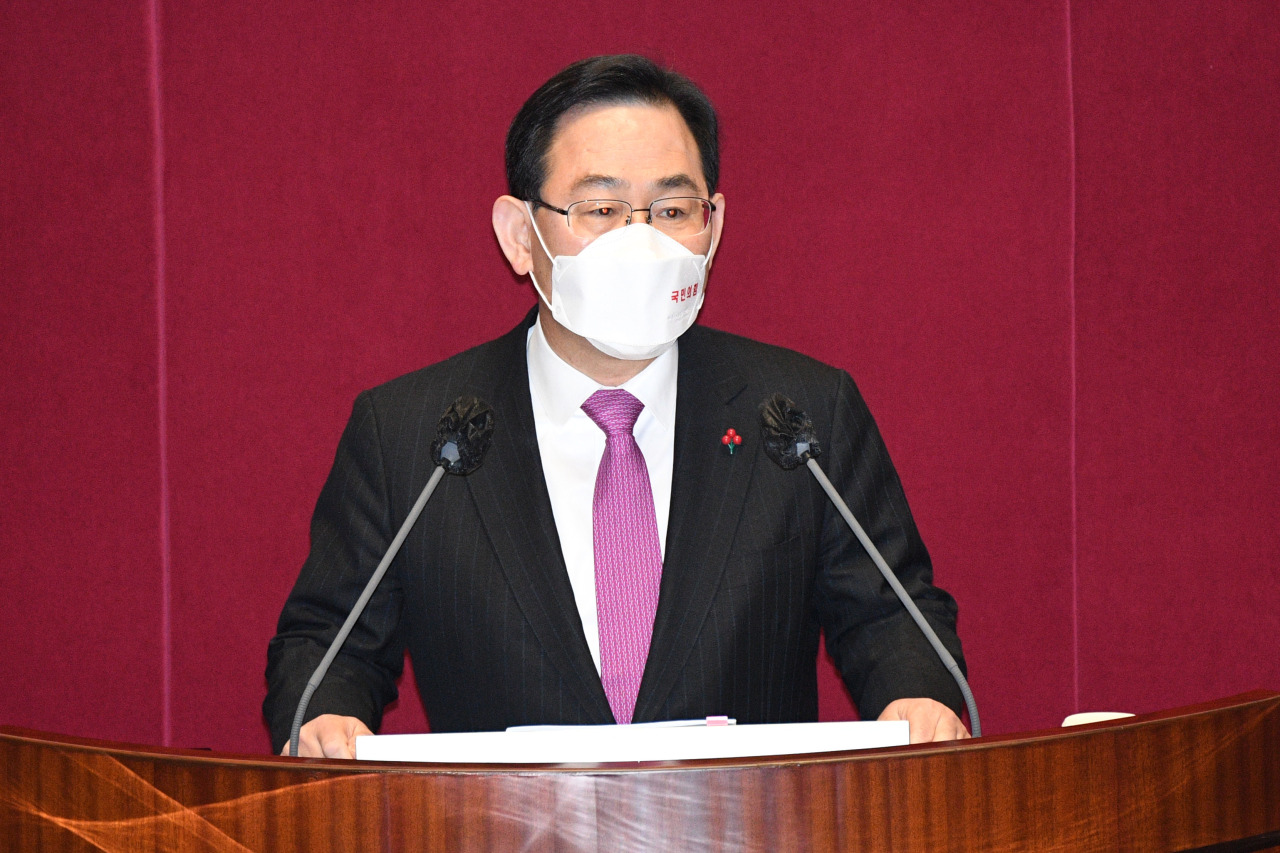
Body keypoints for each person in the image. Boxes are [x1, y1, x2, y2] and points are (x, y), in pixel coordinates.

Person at [265, 54, 970, 758]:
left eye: (672, 210)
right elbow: (328, 646)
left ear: (714, 225)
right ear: (520, 235)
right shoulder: (414, 436)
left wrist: (918, 692)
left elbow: (893, 615)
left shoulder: (799, 417)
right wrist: (324, 714)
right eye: (601, 209)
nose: (642, 241)